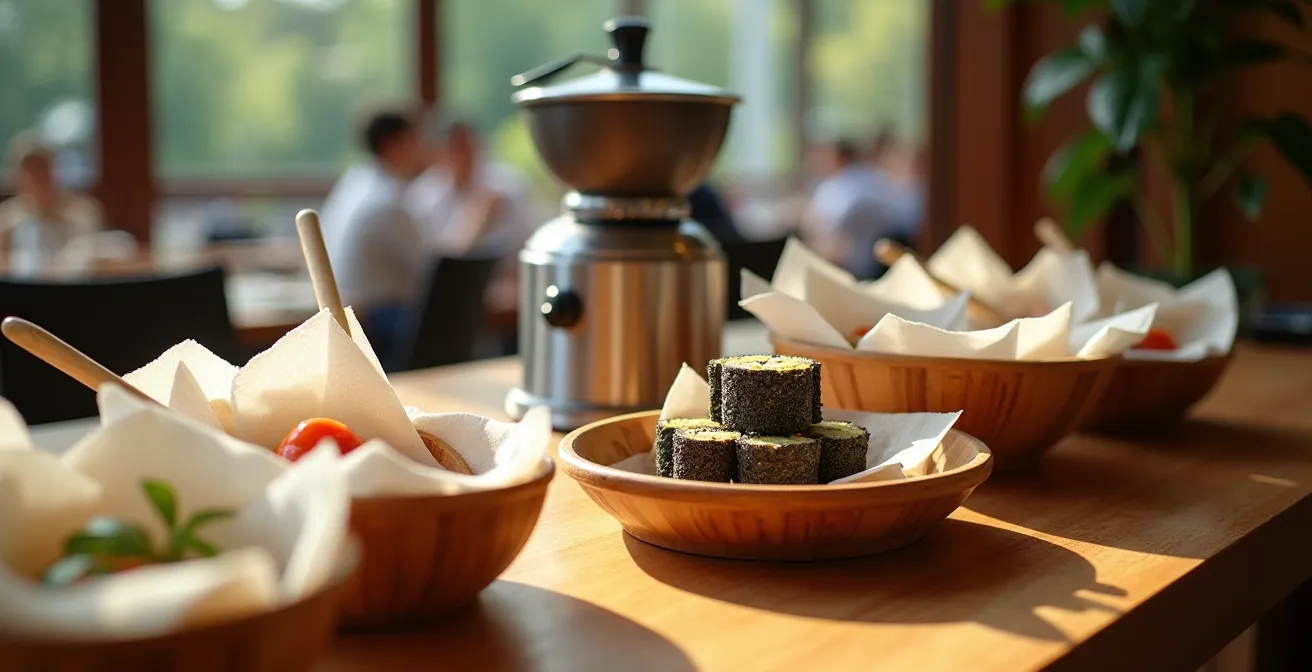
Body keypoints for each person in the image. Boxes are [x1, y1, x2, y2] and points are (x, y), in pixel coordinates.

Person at [321, 108, 429, 359]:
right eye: (416, 140)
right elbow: (430, 269)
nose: (423, 149)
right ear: (395, 144)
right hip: (376, 326)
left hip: (345, 320)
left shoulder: (355, 183)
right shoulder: (387, 200)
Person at [406, 119, 533, 258]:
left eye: (467, 148)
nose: (463, 157)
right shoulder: (423, 194)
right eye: (455, 150)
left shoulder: (506, 184)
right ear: (440, 154)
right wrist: (474, 221)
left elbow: (524, 240)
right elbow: (435, 255)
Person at [801, 138, 920, 279]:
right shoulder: (877, 179)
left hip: (844, 268)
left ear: (838, 157)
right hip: (878, 266)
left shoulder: (833, 189)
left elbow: (820, 232)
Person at [0, 134, 103, 268]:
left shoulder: (82, 210)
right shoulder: (7, 217)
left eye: (41, 168)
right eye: (29, 170)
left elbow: (91, 252)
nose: (35, 177)